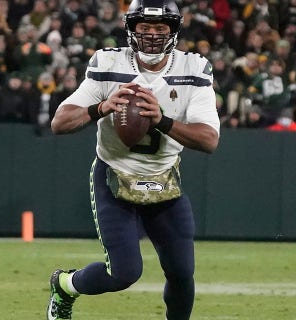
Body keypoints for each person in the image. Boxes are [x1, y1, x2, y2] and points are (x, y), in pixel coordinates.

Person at [46, 1, 220, 319]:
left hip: (164, 179)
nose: (152, 35)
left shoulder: (192, 69)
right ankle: (65, 286)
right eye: (145, 27)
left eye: (160, 28)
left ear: (173, 31)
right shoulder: (108, 63)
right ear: (131, 28)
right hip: (116, 175)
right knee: (124, 273)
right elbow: (60, 122)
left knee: (182, 272)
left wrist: (163, 121)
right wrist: (100, 107)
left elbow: (209, 140)